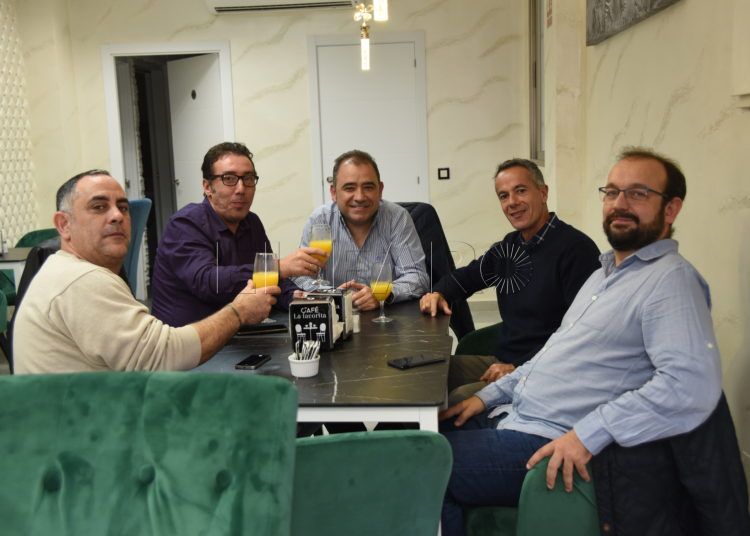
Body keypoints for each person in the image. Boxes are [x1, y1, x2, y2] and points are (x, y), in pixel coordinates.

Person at [438, 148, 722, 536]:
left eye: (638, 193)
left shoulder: (670, 280)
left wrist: (589, 434)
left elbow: (688, 385)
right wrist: (487, 397)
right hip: (516, 413)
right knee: (423, 437)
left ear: (671, 209)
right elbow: (552, 352)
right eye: (612, 192)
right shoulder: (604, 274)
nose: (620, 203)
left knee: (420, 465)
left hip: (547, 435)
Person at [13, 170, 279, 373]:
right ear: (64, 225)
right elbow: (165, 356)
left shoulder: (71, 271)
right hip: (87, 430)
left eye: (123, 207)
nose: (117, 216)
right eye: (99, 207)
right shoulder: (81, 280)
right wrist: (239, 311)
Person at [420, 159, 600, 403]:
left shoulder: (577, 250)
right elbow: (467, 277)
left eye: (521, 191)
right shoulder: (510, 246)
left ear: (543, 193)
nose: (512, 202)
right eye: (503, 196)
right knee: (427, 375)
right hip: (502, 360)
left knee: (458, 399)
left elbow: (580, 331)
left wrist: (519, 366)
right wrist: (439, 292)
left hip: (546, 370)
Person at [150, 142, 325, 327]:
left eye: (248, 178)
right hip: (188, 338)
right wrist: (278, 267)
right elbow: (209, 282)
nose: (241, 189)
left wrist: (297, 296)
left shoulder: (252, 223)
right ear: (207, 187)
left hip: (237, 333)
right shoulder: (185, 224)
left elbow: (270, 281)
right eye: (229, 178)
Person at [292, 149, 429, 310]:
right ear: (334, 192)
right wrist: (334, 295)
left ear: (380, 190)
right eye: (349, 188)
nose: (359, 197)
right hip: (335, 316)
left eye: (368, 187)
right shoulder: (319, 220)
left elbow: (417, 277)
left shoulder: (397, 218)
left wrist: (382, 294)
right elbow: (300, 276)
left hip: (387, 316)